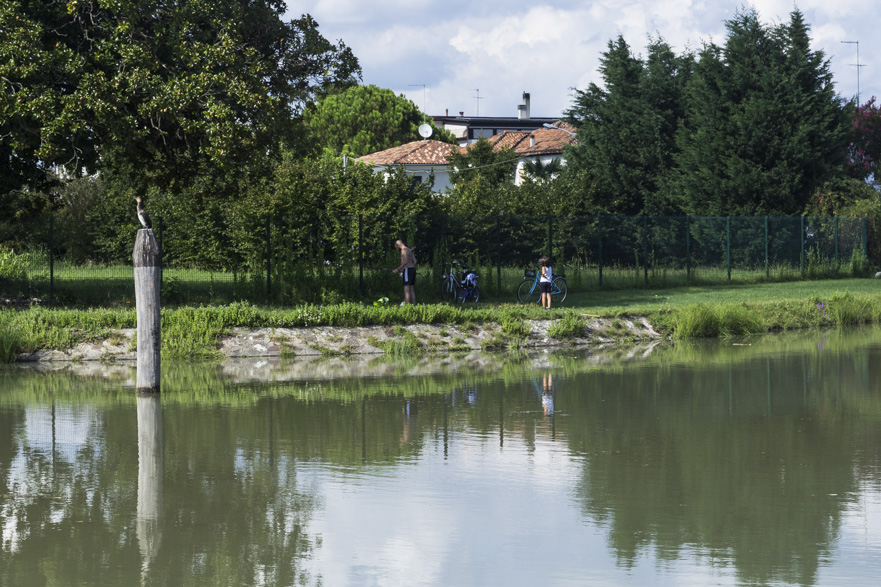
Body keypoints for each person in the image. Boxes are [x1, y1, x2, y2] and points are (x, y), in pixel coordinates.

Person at [393, 239, 417, 305]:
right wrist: (410, 266)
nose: (397, 249)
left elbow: (405, 261)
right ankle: (414, 306)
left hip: (407, 270)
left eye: (397, 247)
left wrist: (398, 269)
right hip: (412, 269)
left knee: (406, 290)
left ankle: (407, 307)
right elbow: (414, 261)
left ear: (398, 246)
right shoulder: (409, 250)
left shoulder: (403, 250)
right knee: (411, 289)